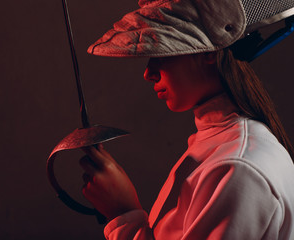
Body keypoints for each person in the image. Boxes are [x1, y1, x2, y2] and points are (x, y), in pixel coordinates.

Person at [79, 0, 294, 239]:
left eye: (162, 53)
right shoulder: (219, 147)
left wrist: (123, 215)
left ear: (209, 53)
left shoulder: (236, 168)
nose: (148, 73)